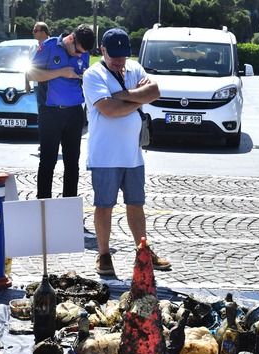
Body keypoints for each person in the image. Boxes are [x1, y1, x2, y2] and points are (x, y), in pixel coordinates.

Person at [82, 28, 171, 276]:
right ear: (102, 50)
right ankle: (103, 254)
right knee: (104, 205)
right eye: (115, 56)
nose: (120, 61)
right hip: (105, 154)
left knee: (136, 204)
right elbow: (108, 109)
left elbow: (154, 92)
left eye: (123, 55)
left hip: (133, 154)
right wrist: (138, 98)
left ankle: (143, 251)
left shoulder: (134, 68)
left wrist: (125, 96)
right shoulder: (93, 74)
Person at [27, 24, 95, 199]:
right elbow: (31, 74)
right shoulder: (49, 46)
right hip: (50, 112)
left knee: (72, 163)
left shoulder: (83, 51)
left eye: (83, 53)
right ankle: (43, 205)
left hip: (74, 113)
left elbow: (83, 73)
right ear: (71, 39)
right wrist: (61, 72)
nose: (80, 55)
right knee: (47, 162)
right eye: (78, 51)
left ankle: (69, 205)